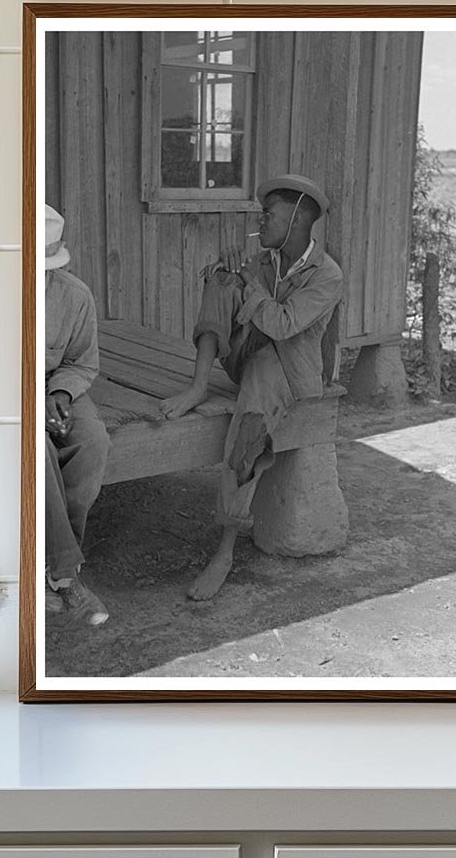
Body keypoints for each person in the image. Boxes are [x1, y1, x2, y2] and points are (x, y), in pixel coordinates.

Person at [159, 174, 343, 601]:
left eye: (269, 216)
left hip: (290, 375)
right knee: (221, 279)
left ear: (297, 221)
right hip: (248, 359)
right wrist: (229, 274)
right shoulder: (264, 259)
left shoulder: (326, 275)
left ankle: (224, 551)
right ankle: (198, 386)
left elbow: (283, 324)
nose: (261, 222)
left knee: (248, 429)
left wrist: (252, 286)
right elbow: (240, 303)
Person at [43, 204, 111, 624]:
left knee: (93, 440)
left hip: (55, 386)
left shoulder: (74, 295)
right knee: (36, 448)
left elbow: (83, 362)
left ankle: (46, 562)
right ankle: (66, 576)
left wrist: (61, 393)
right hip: (1, 390)